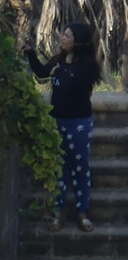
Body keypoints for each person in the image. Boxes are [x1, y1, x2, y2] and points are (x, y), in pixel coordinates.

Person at [25, 22, 100, 232]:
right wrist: (31, 53)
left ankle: (82, 212)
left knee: (80, 168)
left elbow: (76, 87)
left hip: (79, 124)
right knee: (59, 169)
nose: (62, 38)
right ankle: (57, 212)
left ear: (77, 41)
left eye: (67, 35)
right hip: (57, 121)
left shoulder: (88, 66)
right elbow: (41, 74)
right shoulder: (58, 60)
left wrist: (63, 72)